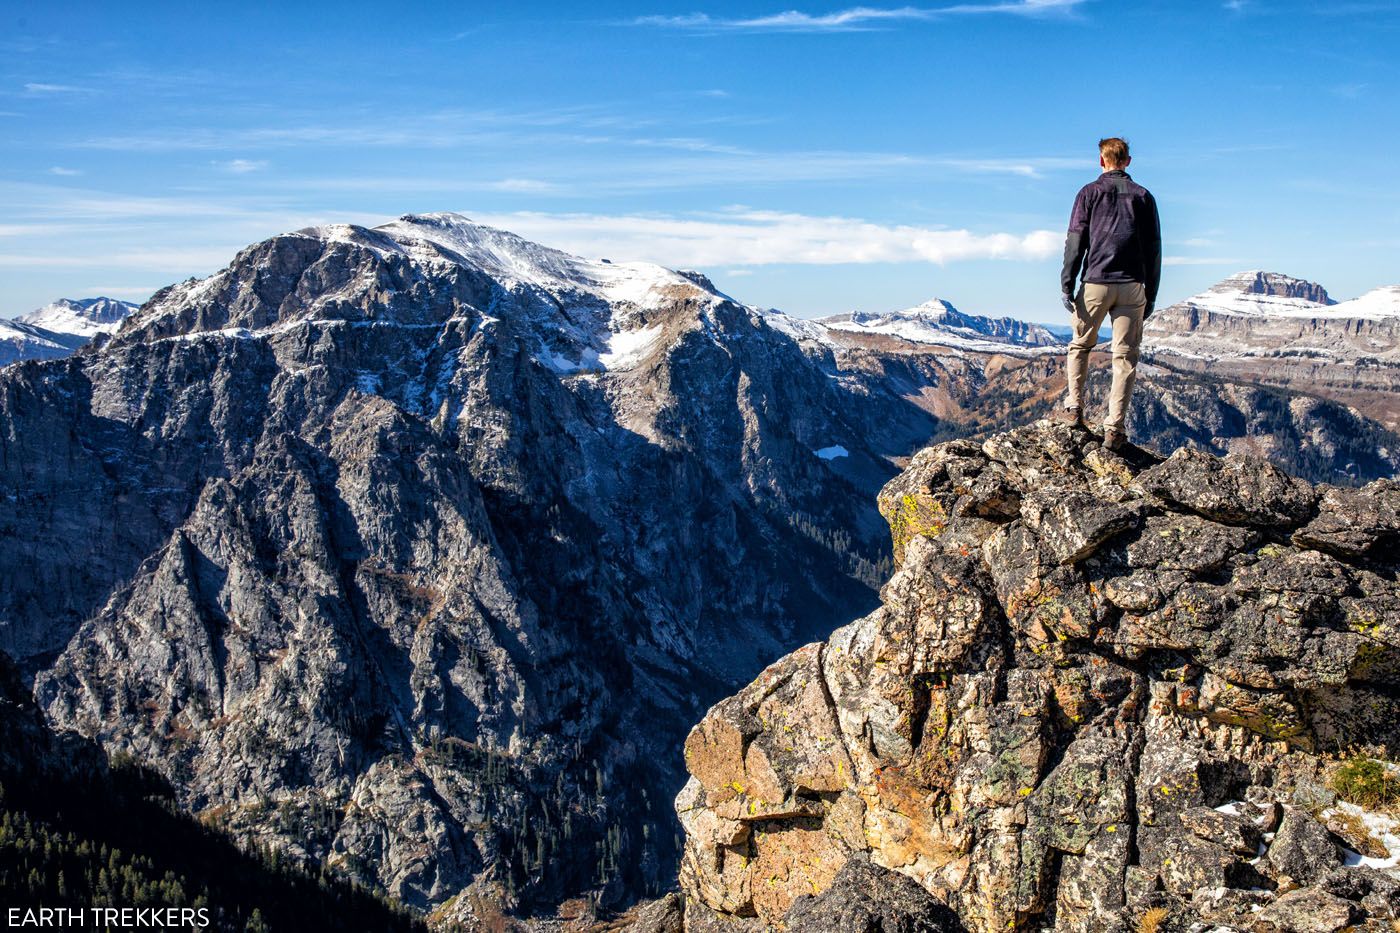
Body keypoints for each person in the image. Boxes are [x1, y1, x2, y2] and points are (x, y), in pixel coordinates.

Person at [1056, 137, 1161, 451]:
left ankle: (1074, 409)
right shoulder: (1144, 197)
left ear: (1101, 161)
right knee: (1125, 357)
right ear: (1128, 161)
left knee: (1080, 346)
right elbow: (1154, 250)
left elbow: (1076, 242)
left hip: (1095, 282)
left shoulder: (1088, 193)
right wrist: (1151, 293)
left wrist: (1067, 282)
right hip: (1132, 285)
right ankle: (1114, 429)